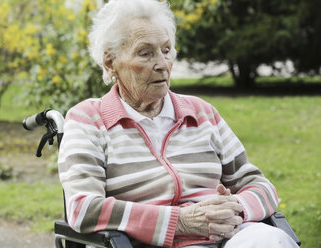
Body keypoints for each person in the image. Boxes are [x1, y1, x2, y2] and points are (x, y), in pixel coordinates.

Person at [58, 0, 299, 247]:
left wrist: (235, 208)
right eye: (145, 53)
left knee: (270, 240)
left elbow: (260, 186)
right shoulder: (89, 119)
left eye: (166, 50)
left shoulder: (201, 113)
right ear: (110, 63)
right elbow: (83, 207)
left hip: (229, 238)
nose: (162, 64)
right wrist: (179, 221)